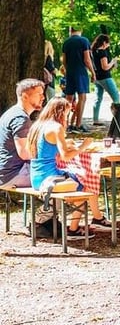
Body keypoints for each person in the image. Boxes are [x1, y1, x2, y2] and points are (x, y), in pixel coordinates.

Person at [26, 98, 112, 237]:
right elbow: (66, 156)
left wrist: (67, 143)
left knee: (82, 186)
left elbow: (48, 148)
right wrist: (84, 146)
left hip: (36, 176)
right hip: (50, 179)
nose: (68, 115)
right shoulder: (56, 127)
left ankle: (77, 226)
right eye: (67, 112)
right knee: (87, 186)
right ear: (61, 112)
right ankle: (74, 227)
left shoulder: (38, 126)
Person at [0, 79, 45, 188]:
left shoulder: (11, 113)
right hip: (13, 174)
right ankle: (52, 205)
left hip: (6, 172)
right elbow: (25, 153)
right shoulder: (20, 119)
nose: (43, 98)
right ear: (25, 96)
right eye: (39, 94)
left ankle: (49, 205)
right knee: (62, 178)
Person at [61, 26, 95, 132]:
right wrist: (93, 72)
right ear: (81, 30)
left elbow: (64, 60)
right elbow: (87, 59)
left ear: (70, 30)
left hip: (70, 72)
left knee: (68, 98)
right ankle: (78, 124)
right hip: (81, 72)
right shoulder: (84, 41)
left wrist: (67, 71)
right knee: (82, 98)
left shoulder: (66, 42)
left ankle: (65, 123)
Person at [91, 34, 120, 126]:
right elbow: (105, 67)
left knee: (98, 99)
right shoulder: (102, 52)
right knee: (116, 97)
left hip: (97, 78)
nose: (108, 45)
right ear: (104, 43)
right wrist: (113, 62)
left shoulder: (93, 52)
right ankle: (118, 118)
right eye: (108, 44)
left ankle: (95, 119)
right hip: (105, 77)